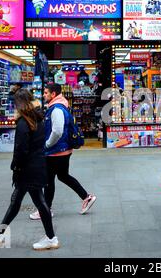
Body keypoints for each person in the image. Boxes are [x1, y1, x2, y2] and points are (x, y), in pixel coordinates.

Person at [0, 89, 59, 250]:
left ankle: (51, 237)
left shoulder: (24, 122)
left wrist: (15, 166)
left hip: (27, 169)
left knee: (39, 203)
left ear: (19, 104)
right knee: (17, 200)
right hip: (36, 166)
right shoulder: (38, 118)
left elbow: (21, 150)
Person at [29, 83, 96, 220]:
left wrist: (47, 145)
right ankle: (86, 197)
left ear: (53, 94)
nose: (44, 95)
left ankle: (46, 209)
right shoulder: (60, 106)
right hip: (62, 150)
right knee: (63, 176)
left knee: (48, 180)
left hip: (56, 151)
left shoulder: (57, 109)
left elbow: (58, 131)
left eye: (46, 92)